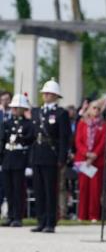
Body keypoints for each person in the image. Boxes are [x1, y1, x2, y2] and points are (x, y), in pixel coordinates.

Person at [30, 79, 71, 233]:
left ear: (55, 95)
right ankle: (40, 220)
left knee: (50, 189)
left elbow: (64, 137)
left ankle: (50, 221)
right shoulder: (37, 112)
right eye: (44, 93)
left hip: (51, 155)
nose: (45, 95)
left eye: (48, 93)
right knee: (38, 189)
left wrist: (62, 158)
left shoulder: (61, 114)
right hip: (38, 153)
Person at [0, 94, 34, 227]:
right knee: (8, 189)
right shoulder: (6, 123)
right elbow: (2, 142)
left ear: (23, 109)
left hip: (20, 159)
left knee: (18, 189)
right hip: (8, 158)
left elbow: (30, 141)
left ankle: (18, 217)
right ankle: (10, 215)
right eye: (13, 107)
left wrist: (28, 164)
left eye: (17, 107)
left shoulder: (28, 124)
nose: (14, 110)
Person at [74, 99, 106, 222]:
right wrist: (86, 153)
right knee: (83, 188)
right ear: (89, 109)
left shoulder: (102, 125)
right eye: (94, 108)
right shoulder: (82, 123)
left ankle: (94, 215)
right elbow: (78, 141)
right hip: (83, 160)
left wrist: (94, 155)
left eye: (98, 108)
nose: (96, 110)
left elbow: (102, 142)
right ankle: (82, 215)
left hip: (96, 161)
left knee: (95, 189)